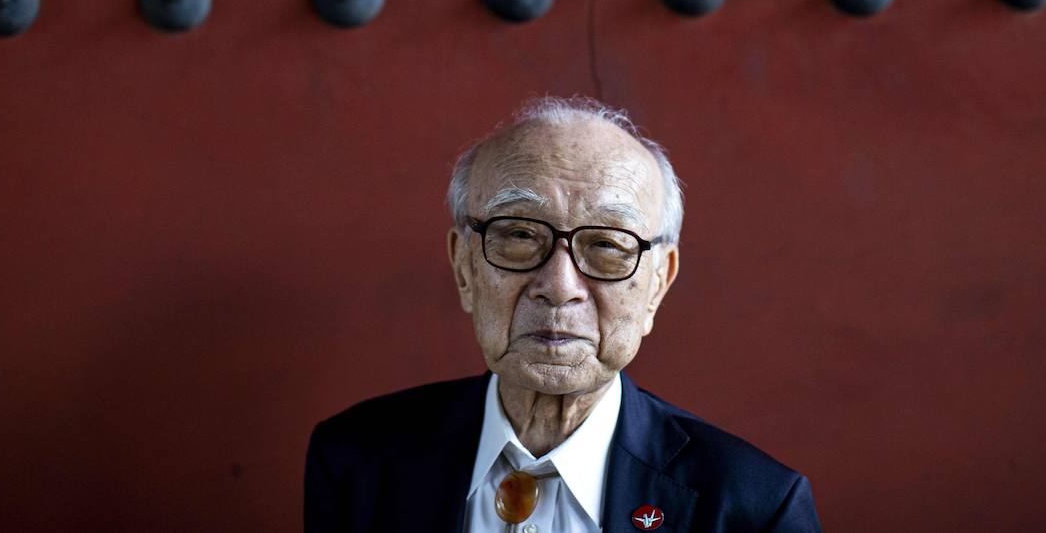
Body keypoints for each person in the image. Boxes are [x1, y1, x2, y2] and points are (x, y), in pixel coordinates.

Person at [304, 96, 823, 532]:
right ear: (464, 267)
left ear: (657, 284)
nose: (559, 287)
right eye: (520, 235)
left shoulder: (751, 507)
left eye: (607, 245)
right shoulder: (358, 460)